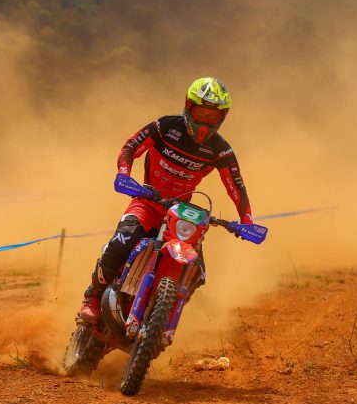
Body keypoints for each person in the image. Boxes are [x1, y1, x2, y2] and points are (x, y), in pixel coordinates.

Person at [78, 77, 254, 324]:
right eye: (201, 112)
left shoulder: (220, 149)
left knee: (197, 273)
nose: (205, 121)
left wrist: (246, 219)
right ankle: (93, 297)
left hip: (181, 213)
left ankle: (158, 321)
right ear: (188, 107)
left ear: (222, 117)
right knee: (122, 242)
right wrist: (123, 174)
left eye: (212, 116)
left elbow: (236, 185)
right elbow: (131, 146)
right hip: (148, 202)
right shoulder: (166, 127)